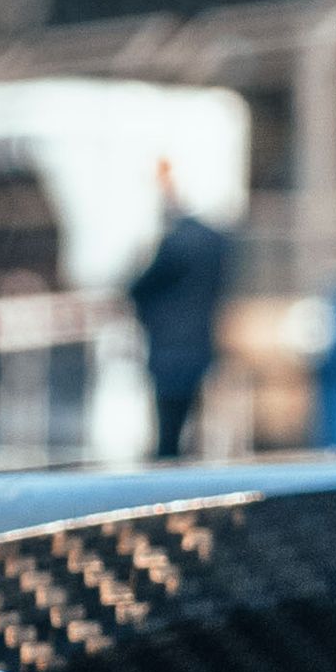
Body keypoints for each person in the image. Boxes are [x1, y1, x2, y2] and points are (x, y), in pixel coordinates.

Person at [129, 144, 244, 461]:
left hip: (170, 346)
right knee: (192, 421)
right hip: (200, 342)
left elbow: (140, 287)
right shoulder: (217, 243)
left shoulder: (177, 242)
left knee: (168, 432)